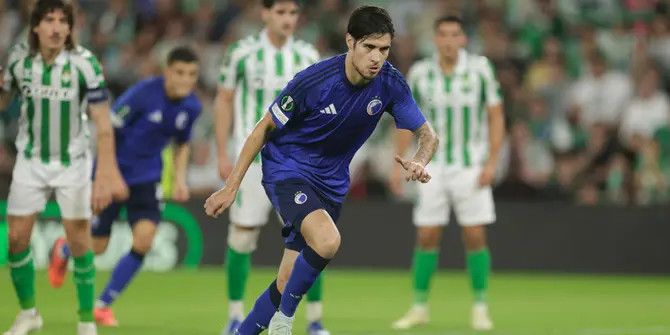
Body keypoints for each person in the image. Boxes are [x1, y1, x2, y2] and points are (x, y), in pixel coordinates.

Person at [205, 6, 439, 335]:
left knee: (286, 278)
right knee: (327, 241)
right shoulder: (314, 81)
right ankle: (283, 324)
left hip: (330, 182)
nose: (376, 58)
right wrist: (231, 186)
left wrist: (420, 160)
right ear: (350, 42)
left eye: (384, 49)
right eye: (369, 47)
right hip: (287, 168)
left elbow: (428, 135)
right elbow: (263, 129)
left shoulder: (390, 83)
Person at [47, 46, 202, 327]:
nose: (185, 80)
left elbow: (182, 143)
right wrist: (109, 176)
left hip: (147, 179)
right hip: (110, 173)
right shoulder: (143, 94)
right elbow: (108, 130)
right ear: (167, 71)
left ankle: (102, 304)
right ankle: (64, 249)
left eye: (192, 74)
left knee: (144, 239)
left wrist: (180, 178)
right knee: (98, 245)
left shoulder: (192, 106)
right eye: (180, 73)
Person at [0, 1, 127, 334]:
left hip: (73, 162)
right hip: (30, 159)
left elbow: (102, 124)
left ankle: (86, 321)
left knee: (80, 242)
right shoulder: (18, 61)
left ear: (70, 28)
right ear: (36, 27)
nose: (56, 28)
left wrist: (105, 175)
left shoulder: (85, 65)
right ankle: (29, 313)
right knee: (16, 239)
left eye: (62, 21)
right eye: (49, 20)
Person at [212, 0, 324, 333]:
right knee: (242, 236)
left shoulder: (307, 55)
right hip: (252, 162)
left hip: (296, 164)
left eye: (292, 13)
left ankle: (315, 320)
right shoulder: (241, 53)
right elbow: (224, 99)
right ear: (265, 14)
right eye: (280, 12)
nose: (287, 19)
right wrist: (221, 151)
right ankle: (234, 315)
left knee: (312, 239)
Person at [389, 15, 505, 331]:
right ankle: (419, 307)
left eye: (455, 34)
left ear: (463, 39)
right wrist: (398, 165)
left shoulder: (480, 70)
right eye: (443, 34)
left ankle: (480, 306)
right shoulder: (422, 73)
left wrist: (492, 161)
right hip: (431, 167)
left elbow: (496, 116)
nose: (449, 40)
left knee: (475, 235)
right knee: (426, 236)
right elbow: (406, 119)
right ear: (435, 39)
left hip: (470, 165)